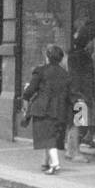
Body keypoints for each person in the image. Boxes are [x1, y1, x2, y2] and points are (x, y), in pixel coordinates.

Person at [22, 45, 72, 175]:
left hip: (43, 109)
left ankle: (55, 164)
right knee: (50, 137)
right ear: (60, 59)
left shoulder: (40, 71)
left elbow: (31, 90)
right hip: (59, 110)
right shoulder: (65, 74)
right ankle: (45, 162)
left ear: (47, 57)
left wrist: (25, 96)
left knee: (47, 138)